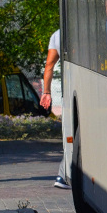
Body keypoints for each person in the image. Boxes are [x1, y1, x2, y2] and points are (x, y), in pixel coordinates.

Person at [41, 29, 69, 189]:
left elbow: (49, 65)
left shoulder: (57, 35)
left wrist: (46, 92)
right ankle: (63, 175)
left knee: (70, 134)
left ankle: (63, 175)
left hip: (70, 88)